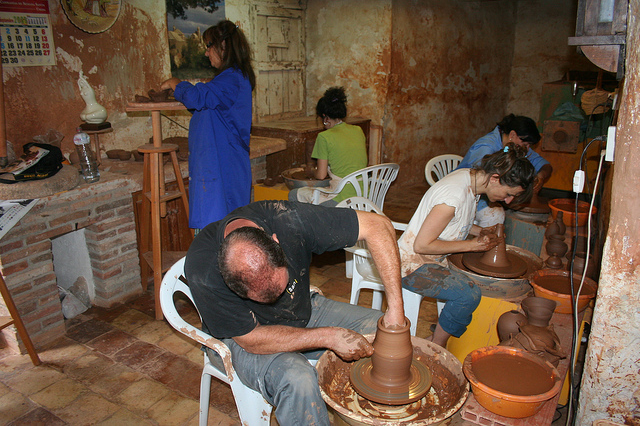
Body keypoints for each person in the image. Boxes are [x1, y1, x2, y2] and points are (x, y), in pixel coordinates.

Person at [185, 200, 405, 425]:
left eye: (280, 287)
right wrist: (328, 336)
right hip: (241, 337)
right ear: (231, 283)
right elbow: (249, 339)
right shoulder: (204, 268)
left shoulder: (289, 220)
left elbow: (378, 225)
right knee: (297, 380)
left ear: (277, 242)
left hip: (299, 308)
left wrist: (395, 310)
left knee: (380, 330)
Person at [398, 143, 535, 347]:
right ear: (495, 178)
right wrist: (472, 245)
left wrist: (481, 232)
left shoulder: (472, 180)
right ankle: (436, 345)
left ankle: (442, 328)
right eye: (508, 193)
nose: (508, 200)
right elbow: (422, 245)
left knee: (472, 281)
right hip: (409, 265)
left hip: (431, 258)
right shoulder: (453, 196)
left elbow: (456, 221)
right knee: (468, 294)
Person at [161, 20, 255, 230]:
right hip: (218, 163)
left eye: (208, 47)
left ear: (223, 46)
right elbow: (206, 107)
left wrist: (176, 83)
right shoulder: (232, 78)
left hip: (224, 167)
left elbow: (196, 97)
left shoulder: (232, 79)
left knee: (222, 231)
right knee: (219, 230)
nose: (205, 54)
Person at [456, 114, 553, 227]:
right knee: (495, 214)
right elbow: (485, 183)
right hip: (469, 193)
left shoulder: (518, 148)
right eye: (526, 144)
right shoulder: (486, 147)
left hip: (487, 191)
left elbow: (545, 165)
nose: (527, 148)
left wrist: (540, 176)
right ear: (512, 135)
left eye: (529, 145)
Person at [288, 87, 368, 206]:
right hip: (363, 195)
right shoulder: (358, 130)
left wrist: (311, 172)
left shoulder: (324, 137)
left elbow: (321, 175)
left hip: (342, 200)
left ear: (325, 117)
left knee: (294, 194)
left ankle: (313, 224)